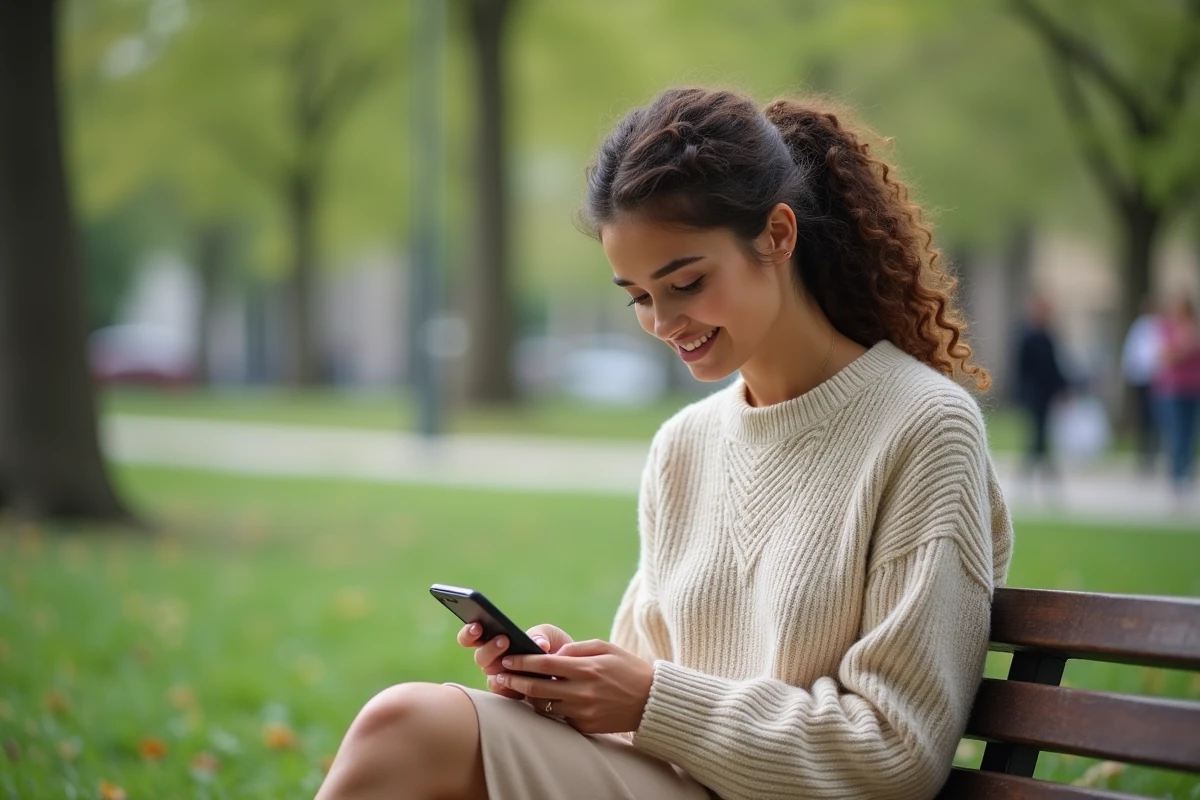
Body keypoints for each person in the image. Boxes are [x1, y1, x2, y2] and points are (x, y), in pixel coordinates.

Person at [315, 88, 1013, 800]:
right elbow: (644, 700)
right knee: (406, 724)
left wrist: (650, 699)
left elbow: (896, 755)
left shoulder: (923, 426)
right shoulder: (686, 444)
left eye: (686, 281)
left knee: (411, 725)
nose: (663, 321)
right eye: (639, 296)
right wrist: (573, 681)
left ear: (777, 235)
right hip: (671, 785)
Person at [1013, 294, 1069, 481]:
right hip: (1034, 392)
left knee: (1041, 432)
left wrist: (1062, 386)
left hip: (1045, 392)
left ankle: (1037, 469)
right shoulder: (1029, 337)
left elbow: (1053, 366)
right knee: (1039, 433)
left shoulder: (1046, 336)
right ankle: (1040, 471)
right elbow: (1025, 368)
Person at [1153, 296, 1200, 495]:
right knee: (1177, 432)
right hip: (1173, 389)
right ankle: (1176, 474)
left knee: (1191, 432)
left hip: (1194, 387)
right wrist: (1184, 346)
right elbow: (1163, 357)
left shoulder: (1195, 328)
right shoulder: (1168, 329)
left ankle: (1186, 471)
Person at [1121, 297, 1163, 474]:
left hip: (1156, 380)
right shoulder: (1141, 328)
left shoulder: (1157, 327)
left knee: (1152, 418)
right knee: (1146, 418)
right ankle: (1146, 454)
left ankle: (1152, 452)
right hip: (1144, 379)